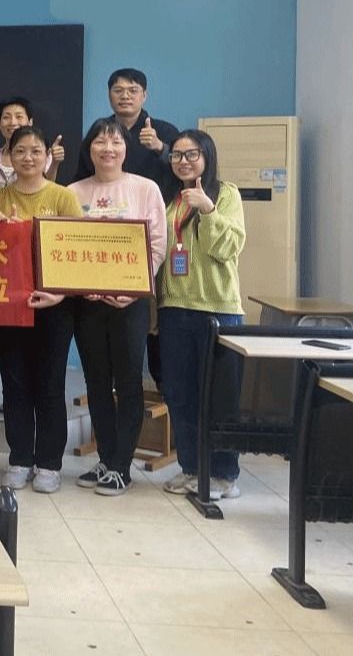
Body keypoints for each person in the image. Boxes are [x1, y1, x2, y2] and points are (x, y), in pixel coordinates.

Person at [67, 118, 167, 496]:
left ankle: (122, 465)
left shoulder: (145, 188)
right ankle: (106, 458)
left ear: (126, 149)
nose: (108, 148)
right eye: (100, 142)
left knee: (127, 382)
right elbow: (63, 243)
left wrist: (134, 287)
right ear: (89, 149)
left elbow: (157, 244)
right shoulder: (73, 192)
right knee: (95, 381)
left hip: (130, 301)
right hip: (87, 303)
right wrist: (82, 286)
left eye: (115, 142)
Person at [0, 126, 82, 493]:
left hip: (54, 305)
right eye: (20, 151)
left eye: (36, 151)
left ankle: (50, 463)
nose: (28, 157)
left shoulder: (63, 197)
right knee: (15, 384)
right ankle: (19, 458)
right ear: (9, 156)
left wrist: (59, 294)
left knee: (50, 384)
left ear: (47, 156)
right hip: (10, 305)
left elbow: (76, 253)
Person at [157, 130, 247, 501]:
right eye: (176, 155)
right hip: (174, 308)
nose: (183, 161)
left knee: (220, 398)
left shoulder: (226, 194)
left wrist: (208, 209)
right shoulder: (170, 199)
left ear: (207, 156)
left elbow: (227, 247)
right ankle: (192, 467)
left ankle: (224, 474)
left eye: (191, 154)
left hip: (218, 310)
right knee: (179, 394)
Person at [75, 68, 179, 187]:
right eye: (118, 91)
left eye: (133, 91)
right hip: (105, 196)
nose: (125, 96)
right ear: (109, 95)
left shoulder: (165, 130)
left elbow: (182, 167)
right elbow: (82, 176)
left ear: (144, 95)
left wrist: (160, 147)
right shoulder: (99, 131)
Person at [0, 96, 65, 195]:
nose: (13, 122)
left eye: (19, 117)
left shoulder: (43, 156)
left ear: (30, 122)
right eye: (6, 117)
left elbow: (47, 190)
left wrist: (54, 163)